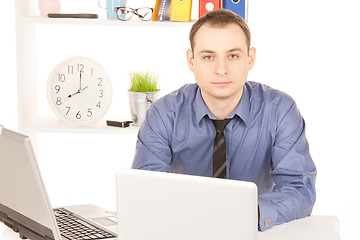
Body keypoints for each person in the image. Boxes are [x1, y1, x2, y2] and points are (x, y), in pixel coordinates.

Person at [132, 9, 316, 231]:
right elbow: (145, 190)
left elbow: (300, 189)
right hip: (183, 228)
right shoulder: (163, 114)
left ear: (250, 58)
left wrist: (246, 214)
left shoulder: (280, 111)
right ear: (191, 60)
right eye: (208, 56)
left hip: (252, 229)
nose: (221, 70)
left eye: (233, 56)